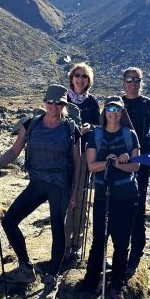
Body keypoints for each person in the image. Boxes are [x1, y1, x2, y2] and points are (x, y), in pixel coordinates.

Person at [0, 85, 80, 299]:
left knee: (57, 228)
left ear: (64, 105)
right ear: (45, 102)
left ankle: (52, 276)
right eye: (50, 102)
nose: (54, 106)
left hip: (60, 185)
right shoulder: (31, 124)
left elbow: (78, 163)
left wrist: (74, 193)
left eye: (59, 103)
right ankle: (26, 267)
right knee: (9, 221)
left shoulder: (71, 129)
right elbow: (14, 151)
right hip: (37, 183)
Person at [76, 97, 141, 299]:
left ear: (122, 113)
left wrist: (118, 164)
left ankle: (116, 288)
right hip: (104, 195)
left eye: (118, 109)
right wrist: (113, 162)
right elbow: (92, 166)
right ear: (105, 111)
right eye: (110, 109)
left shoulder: (129, 135)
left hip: (127, 195)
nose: (113, 113)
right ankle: (89, 288)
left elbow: (136, 166)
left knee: (122, 244)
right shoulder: (96, 135)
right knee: (99, 243)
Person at [121, 67, 150, 278]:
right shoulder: (118, 104)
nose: (133, 83)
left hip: (143, 163)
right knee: (120, 207)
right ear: (123, 82)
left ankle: (136, 251)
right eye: (129, 79)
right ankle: (121, 250)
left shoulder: (149, 105)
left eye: (137, 80)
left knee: (138, 206)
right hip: (120, 163)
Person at [65, 63, 101, 261]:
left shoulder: (92, 102)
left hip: (84, 154)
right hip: (63, 155)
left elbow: (98, 126)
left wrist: (90, 127)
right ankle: (62, 241)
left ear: (89, 81)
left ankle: (77, 244)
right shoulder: (63, 98)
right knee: (63, 196)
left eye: (84, 76)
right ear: (72, 77)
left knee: (81, 197)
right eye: (77, 75)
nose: (80, 79)